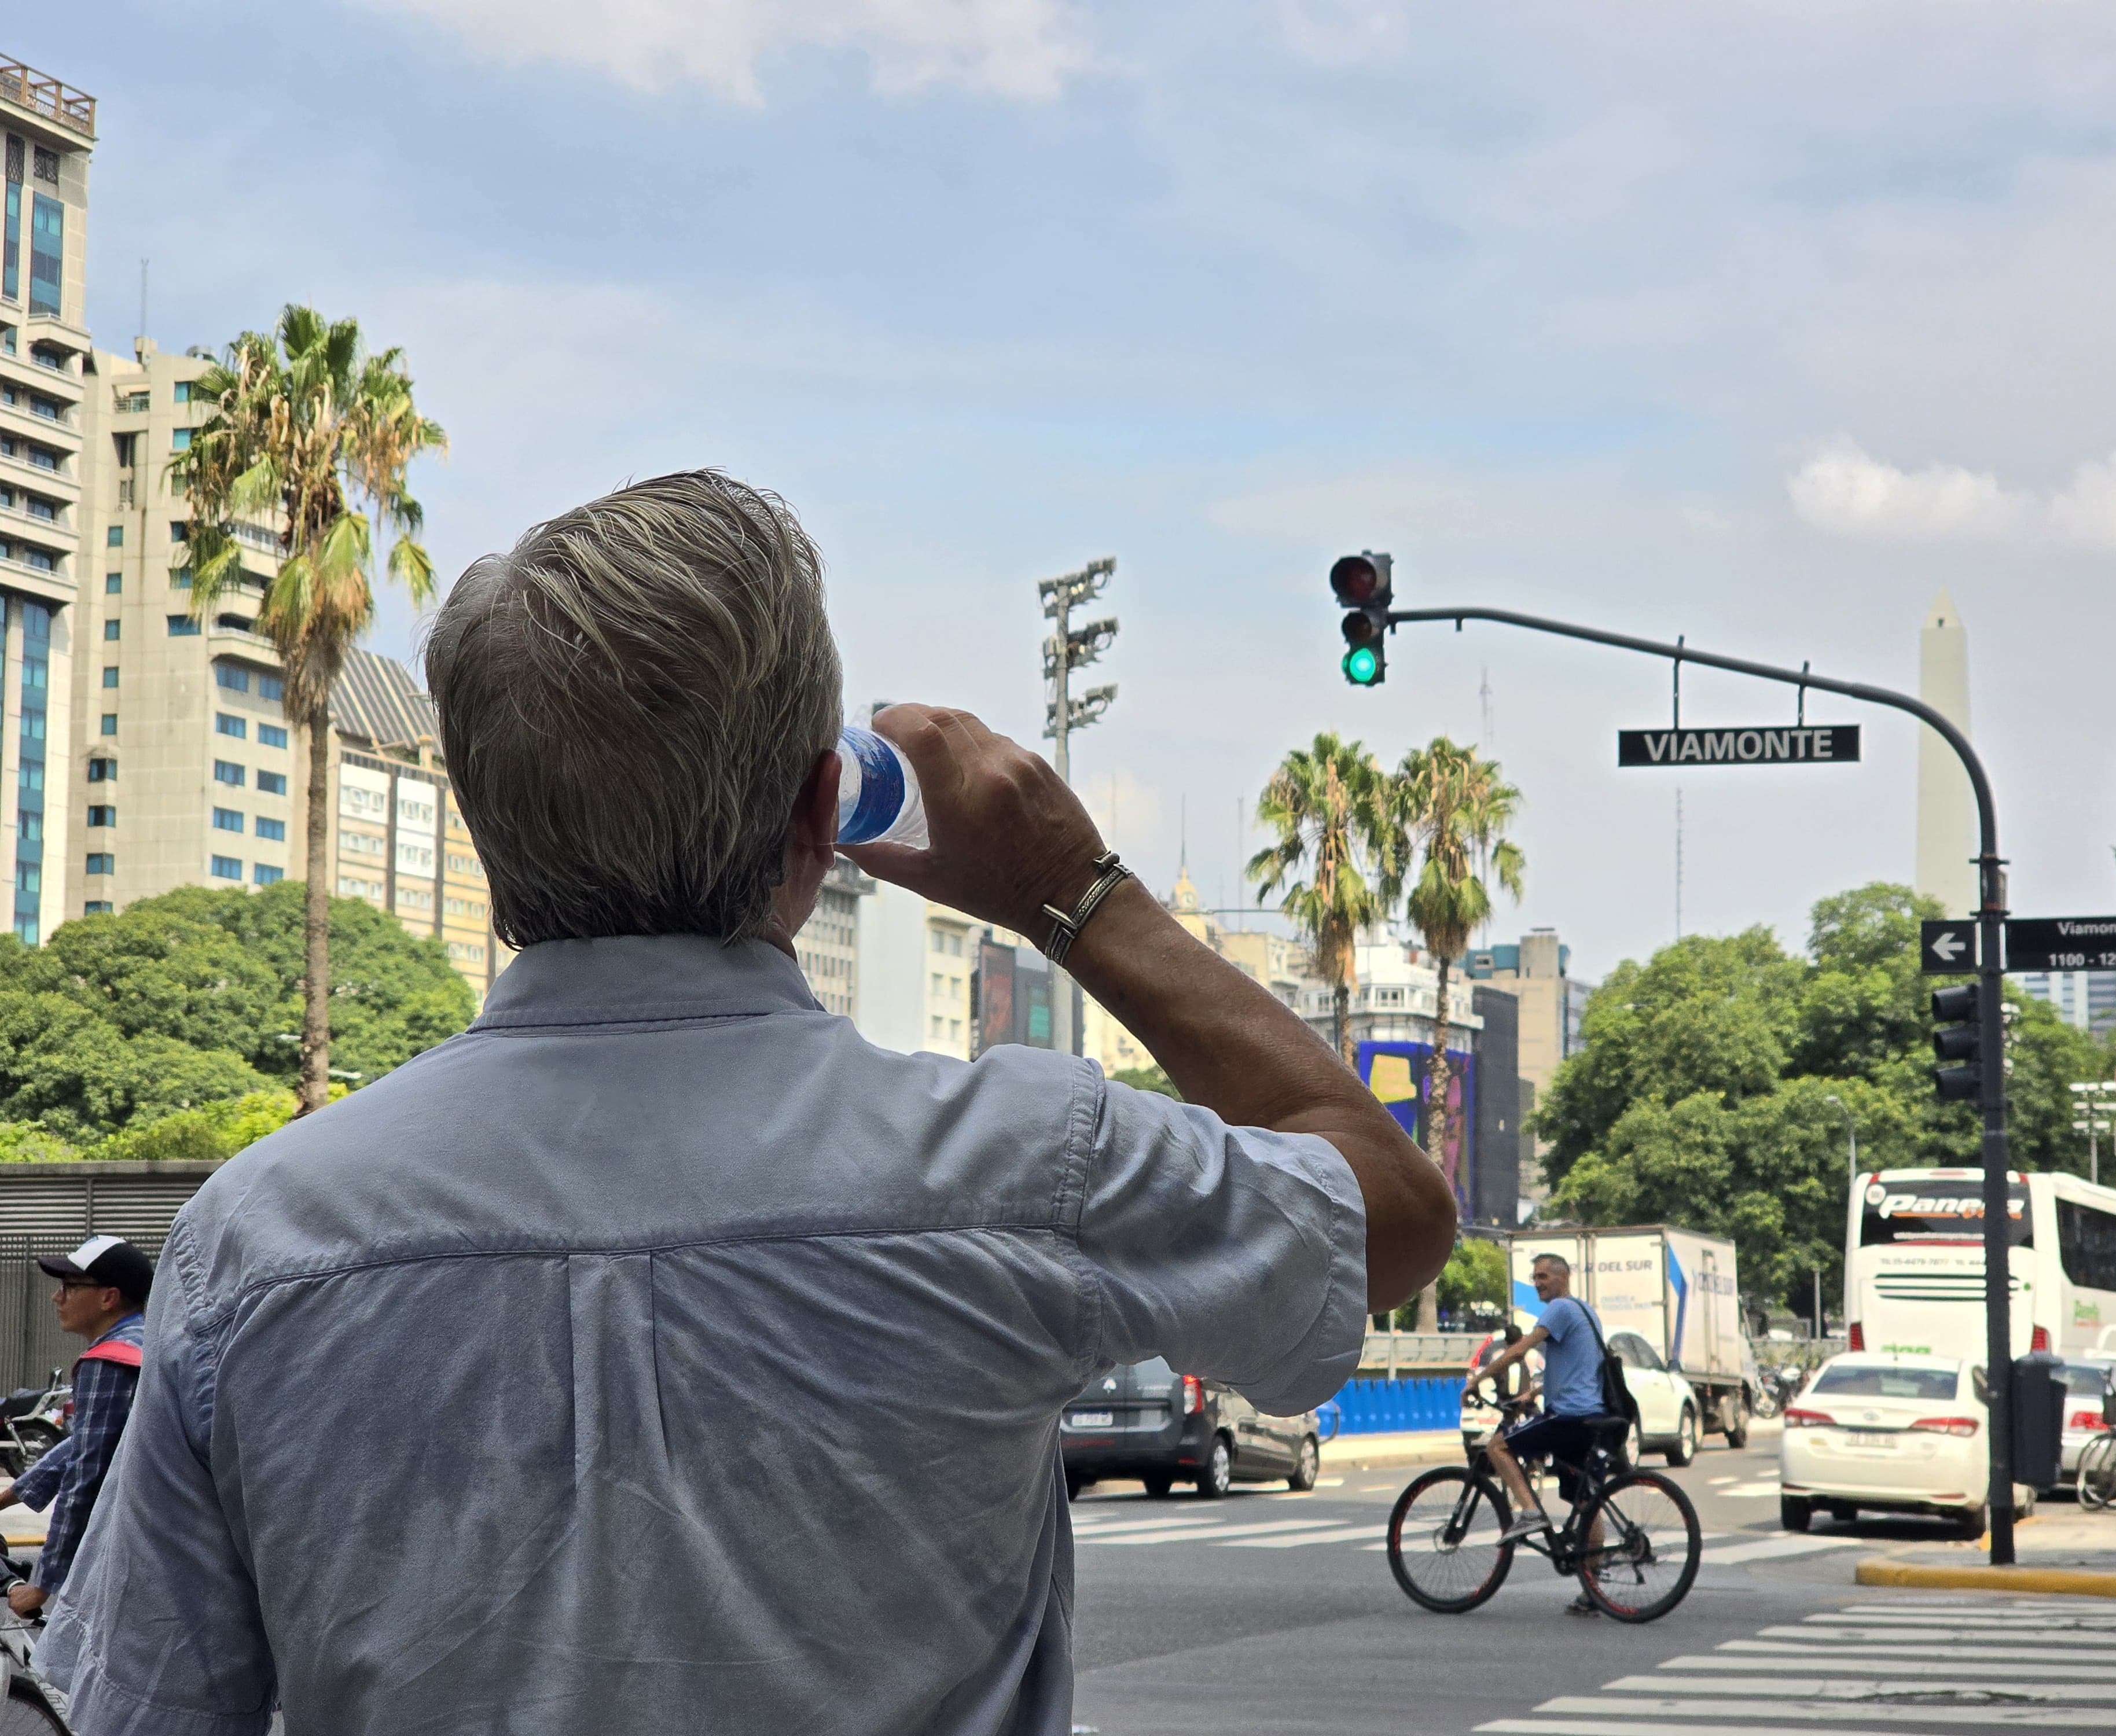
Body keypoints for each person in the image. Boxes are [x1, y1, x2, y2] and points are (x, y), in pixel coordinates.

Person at [36, 473, 1456, 1735]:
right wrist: (1077, 894)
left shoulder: (258, 1238)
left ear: (483, 818)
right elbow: (1388, 1214)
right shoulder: (1024, 1165)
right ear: (816, 815)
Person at [1464, 1252, 1625, 1613]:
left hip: (1569, 1417)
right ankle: (1593, 1592)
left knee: (1497, 1447)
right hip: (1591, 1417)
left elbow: (1522, 1348)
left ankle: (1531, 1512)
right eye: (1535, 1278)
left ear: (1562, 1278)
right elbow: (1582, 1368)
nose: (1538, 1283)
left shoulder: (1559, 1310)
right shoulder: (1586, 1312)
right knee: (1587, 1502)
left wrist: (1479, 1378)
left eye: (1543, 1277)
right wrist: (1532, 1395)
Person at [0, 1236, 150, 1617]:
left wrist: (41, 1584)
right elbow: (84, 1444)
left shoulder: (110, 1361)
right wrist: (10, 1495)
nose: (57, 1297)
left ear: (108, 1297)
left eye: (69, 1287)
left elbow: (87, 1474)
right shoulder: (144, 1343)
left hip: (130, 1545)